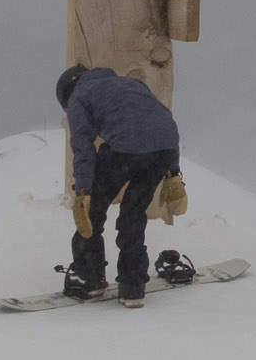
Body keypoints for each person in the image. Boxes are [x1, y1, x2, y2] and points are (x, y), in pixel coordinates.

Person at [57, 63, 180, 307]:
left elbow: (82, 147)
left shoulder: (79, 96)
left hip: (125, 150)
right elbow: (162, 121)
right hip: (163, 150)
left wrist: (83, 190)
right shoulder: (132, 84)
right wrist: (173, 173)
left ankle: (90, 279)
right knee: (133, 213)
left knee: (92, 214)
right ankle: (133, 286)